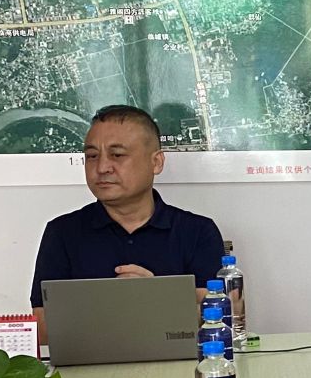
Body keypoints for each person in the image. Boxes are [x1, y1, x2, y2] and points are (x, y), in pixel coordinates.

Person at [28, 104, 225, 325]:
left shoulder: (197, 232)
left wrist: (158, 297)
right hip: (92, 349)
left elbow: (219, 315)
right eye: (92, 156)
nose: (102, 167)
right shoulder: (62, 232)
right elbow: (43, 324)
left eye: (117, 155)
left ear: (156, 162)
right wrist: (124, 305)